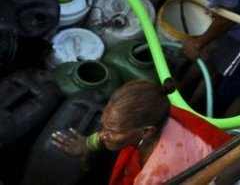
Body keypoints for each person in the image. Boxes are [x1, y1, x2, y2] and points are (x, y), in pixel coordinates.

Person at [50, 79, 229, 185]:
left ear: (146, 132)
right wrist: (89, 144)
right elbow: (112, 130)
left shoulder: (157, 172)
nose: (102, 134)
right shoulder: (159, 113)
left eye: (111, 131)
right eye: (103, 125)